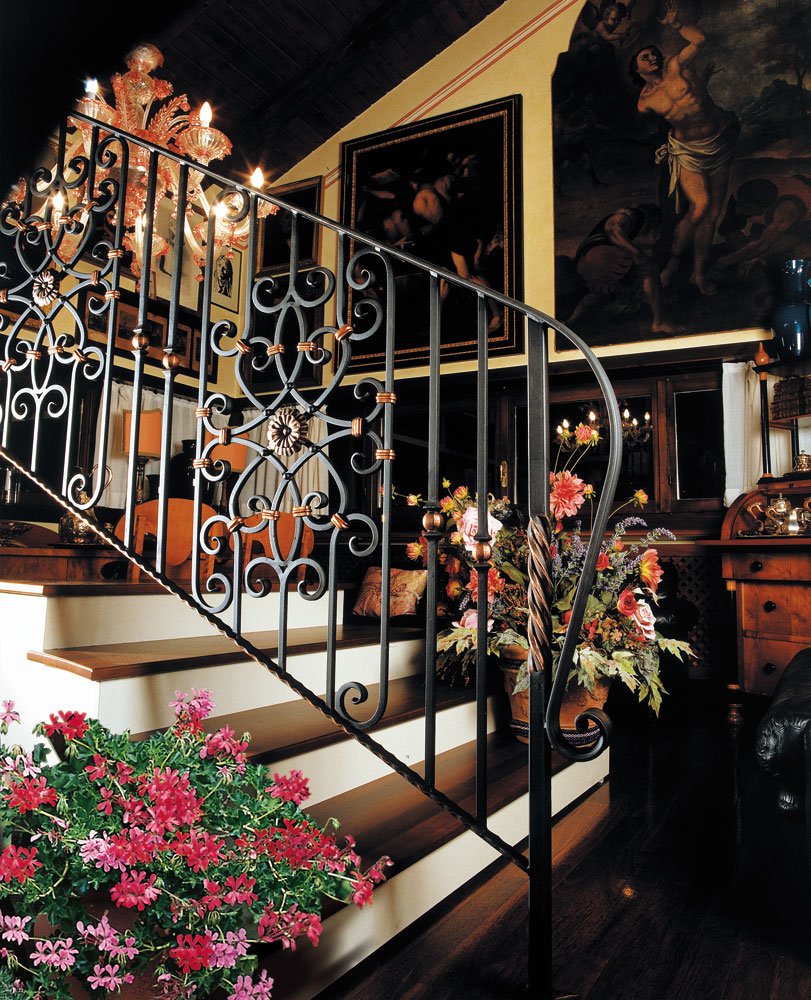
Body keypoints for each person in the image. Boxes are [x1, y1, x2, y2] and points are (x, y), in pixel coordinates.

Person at [630, 1, 739, 295]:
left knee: (713, 212)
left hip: (719, 141)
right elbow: (653, 130)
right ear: (637, 69)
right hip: (688, 150)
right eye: (645, 57)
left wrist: (676, 23)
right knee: (699, 206)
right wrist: (661, 148)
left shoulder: (676, 66)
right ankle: (673, 264)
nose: (652, 57)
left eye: (653, 53)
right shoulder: (644, 102)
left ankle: (698, 274)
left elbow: (700, 40)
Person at [566, 203, 682, 335]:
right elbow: (611, 228)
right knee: (650, 268)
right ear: (652, 225)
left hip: (587, 262)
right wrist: (637, 253)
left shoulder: (629, 228)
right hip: (598, 256)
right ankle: (659, 322)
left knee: (601, 290)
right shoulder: (633, 216)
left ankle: (571, 320)